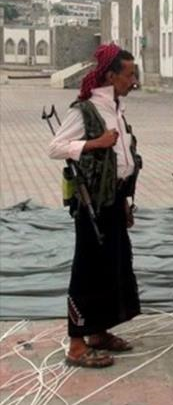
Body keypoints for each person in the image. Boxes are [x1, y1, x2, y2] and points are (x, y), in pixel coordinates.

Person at [48, 44, 142, 368]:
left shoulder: (116, 108)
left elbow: (122, 160)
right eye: (129, 75)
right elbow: (55, 147)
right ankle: (76, 345)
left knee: (113, 266)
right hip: (92, 204)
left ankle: (99, 332)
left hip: (114, 200)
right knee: (87, 270)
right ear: (111, 76)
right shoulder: (85, 109)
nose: (134, 81)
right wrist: (95, 143)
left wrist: (124, 201)